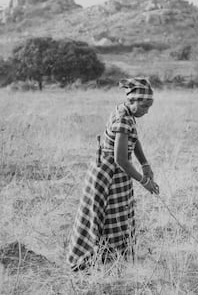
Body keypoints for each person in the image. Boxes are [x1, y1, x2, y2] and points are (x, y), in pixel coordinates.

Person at [67, 77, 160, 271]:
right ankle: (88, 260)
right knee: (100, 215)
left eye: (149, 107)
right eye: (144, 106)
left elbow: (133, 139)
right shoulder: (123, 118)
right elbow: (121, 160)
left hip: (116, 172)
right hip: (108, 171)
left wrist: (145, 163)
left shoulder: (125, 111)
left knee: (115, 214)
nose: (147, 111)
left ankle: (114, 259)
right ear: (132, 100)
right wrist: (144, 181)